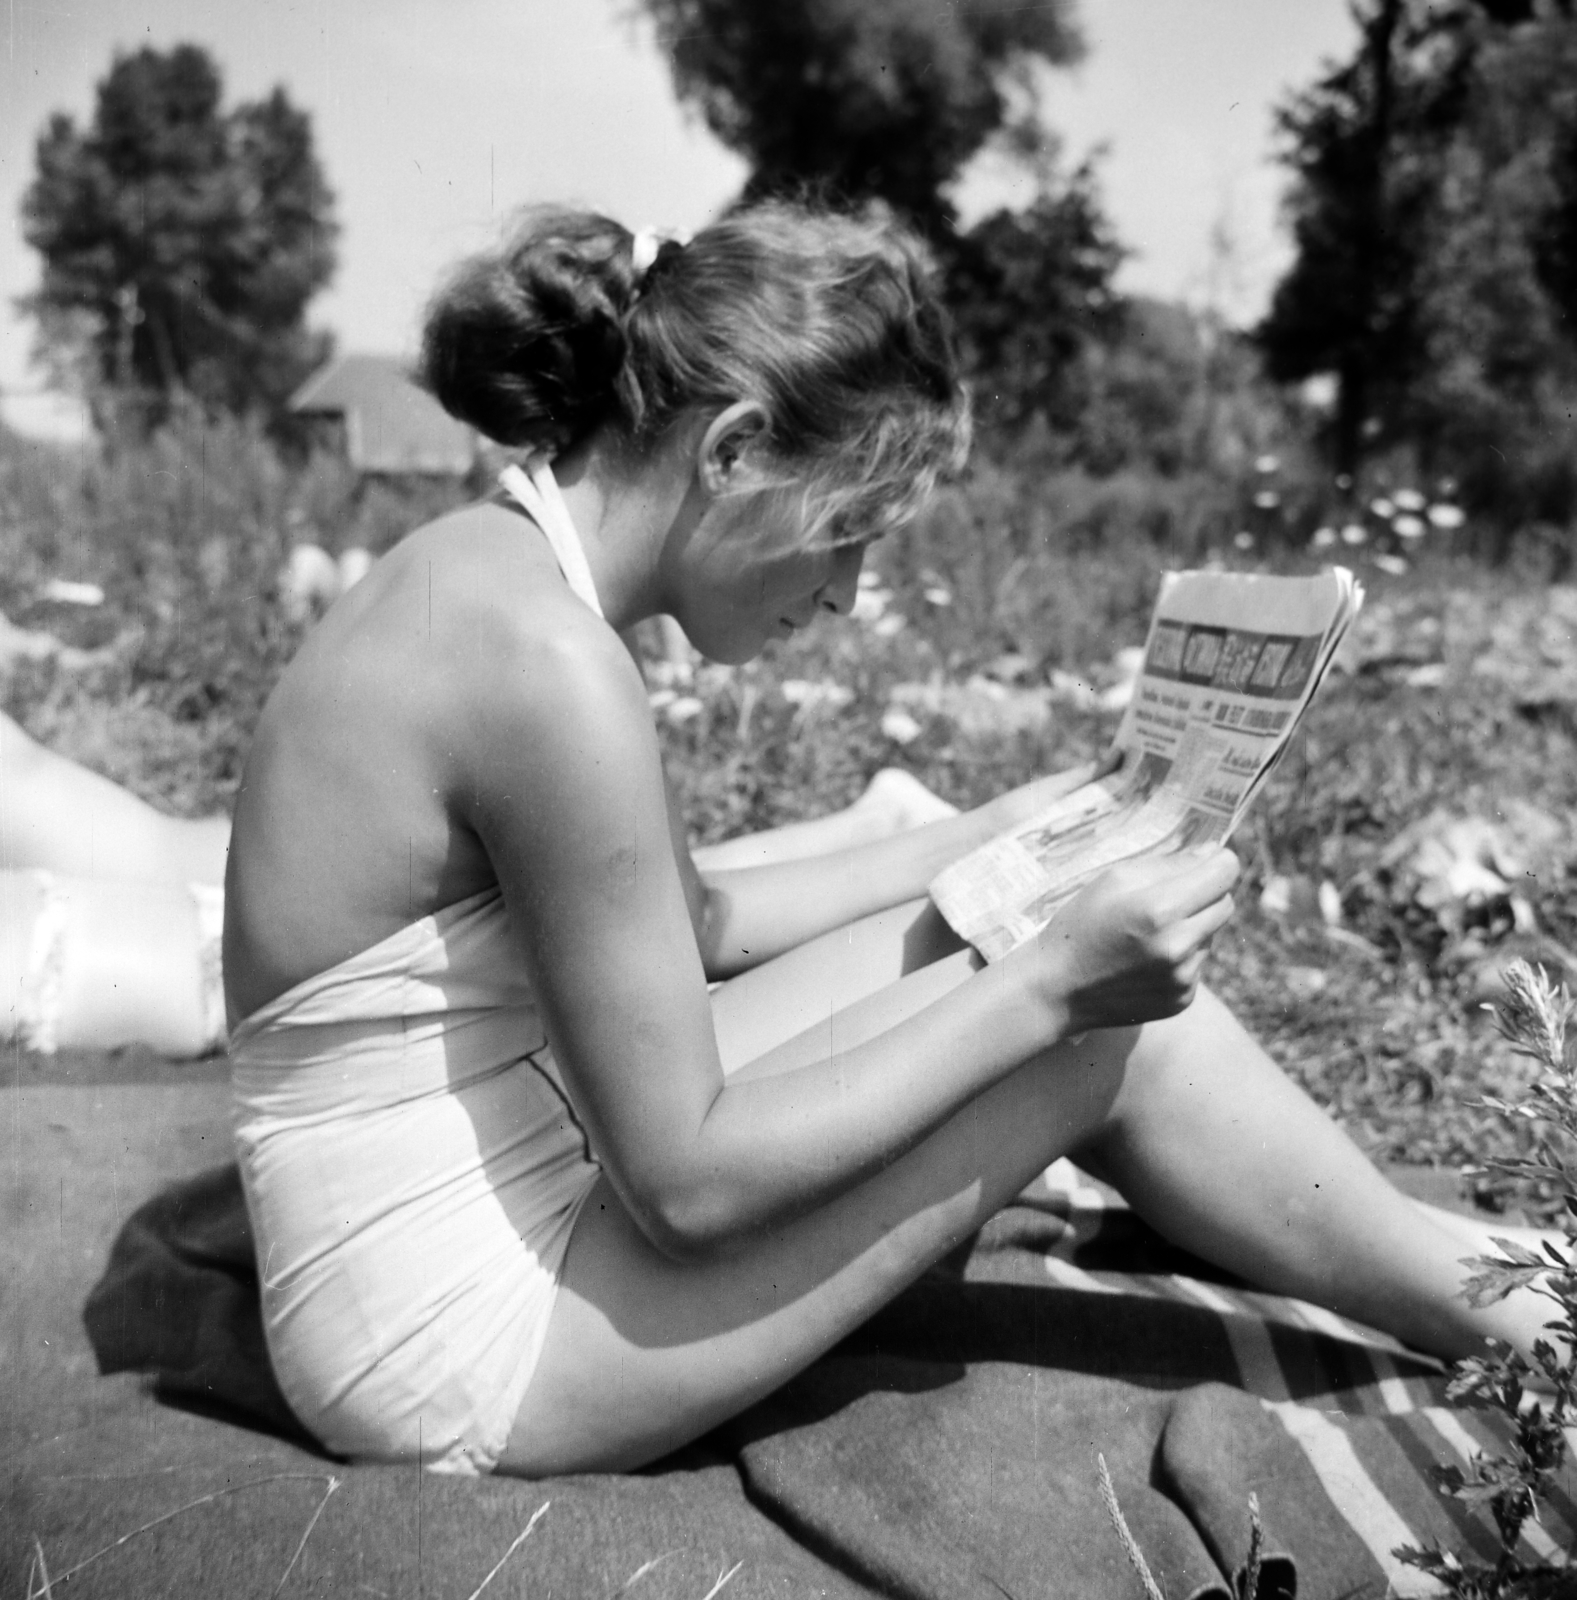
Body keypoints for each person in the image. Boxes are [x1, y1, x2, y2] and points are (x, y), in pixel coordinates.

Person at [219, 201, 1551, 1480]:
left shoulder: (494, 575)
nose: (848, 596)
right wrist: (1047, 992)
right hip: (449, 1328)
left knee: (977, 929)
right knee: (1099, 1037)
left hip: (495, 1154)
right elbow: (684, 1186)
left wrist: (986, 833)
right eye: (845, 530)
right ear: (731, 449)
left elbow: (680, 931)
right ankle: (1529, 1325)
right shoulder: (546, 666)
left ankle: (1475, 1271)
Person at [0, 706, 952, 1056]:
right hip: (116, 913)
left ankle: (878, 834)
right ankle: (875, 832)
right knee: (544, 904)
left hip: (113, 932)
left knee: (542, 908)